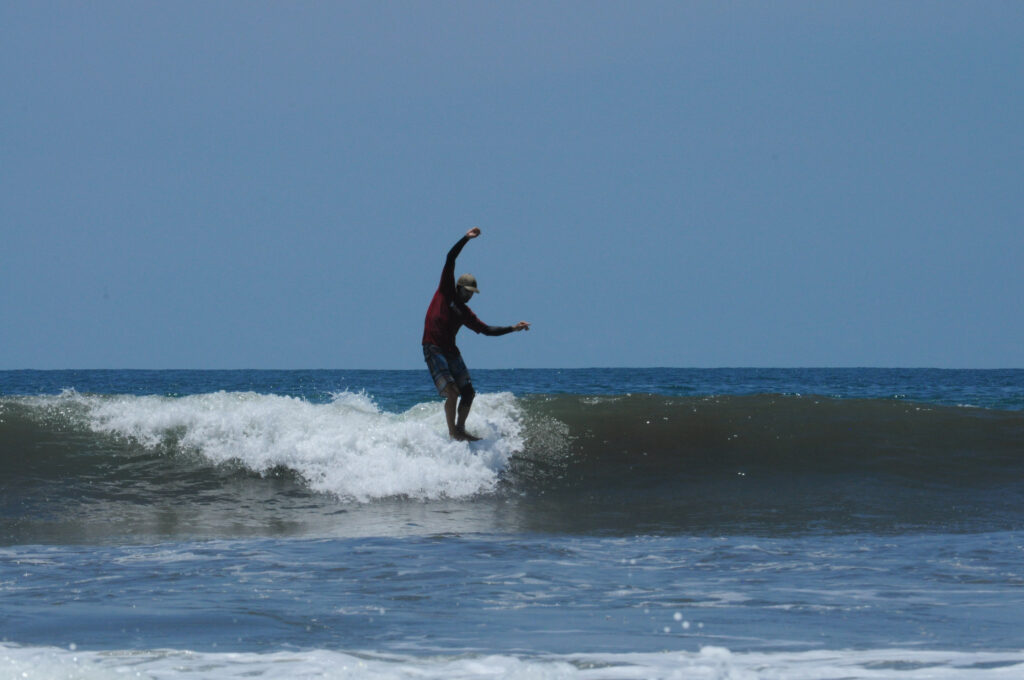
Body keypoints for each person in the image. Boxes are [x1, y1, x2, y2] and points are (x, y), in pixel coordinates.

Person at [422, 227, 530, 441]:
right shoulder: (446, 291)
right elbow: (450, 258)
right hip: (433, 346)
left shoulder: (465, 313)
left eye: (472, 294)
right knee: (452, 392)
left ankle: (461, 429)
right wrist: (466, 238)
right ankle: (453, 433)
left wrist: (513, 328)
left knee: (469, 393)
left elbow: (487, 330)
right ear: (459, 287)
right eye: (468, 292)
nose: (470, 296)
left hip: (450, 350)